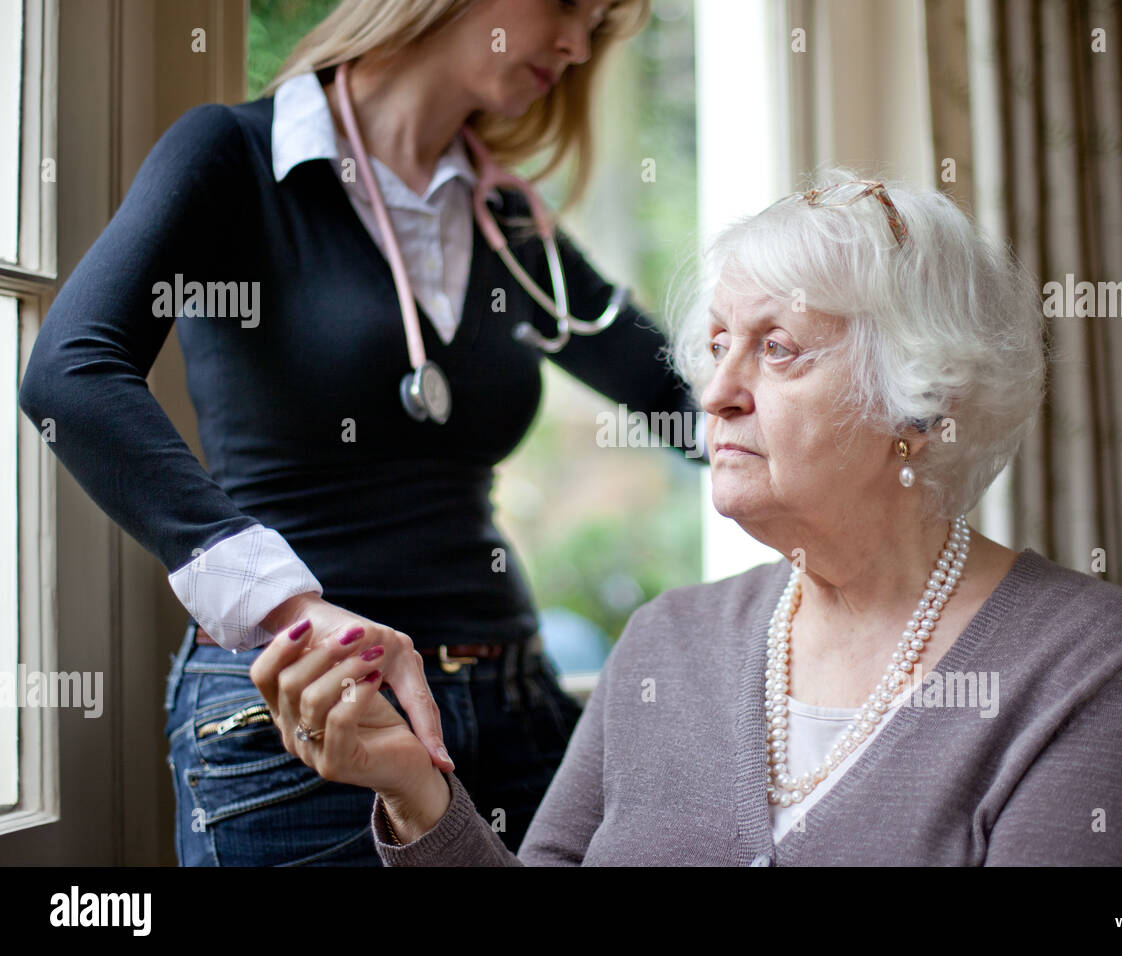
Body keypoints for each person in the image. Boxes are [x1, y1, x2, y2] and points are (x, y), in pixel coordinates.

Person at [250, 170, 1122, 865]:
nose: (717, 393)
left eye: (779, 349)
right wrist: (415, 791)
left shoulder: (1084, 662)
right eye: (716, 347)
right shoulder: (665, 643)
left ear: (922, 408)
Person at [17, 0, 701, 865]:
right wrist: (295, 614)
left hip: (518, 711)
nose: (575, 45)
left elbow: (685, 401)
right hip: (310, 717)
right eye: (568, 5)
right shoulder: (232, 155)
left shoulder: (505, 217)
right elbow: (67, 375)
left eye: (597, 26)